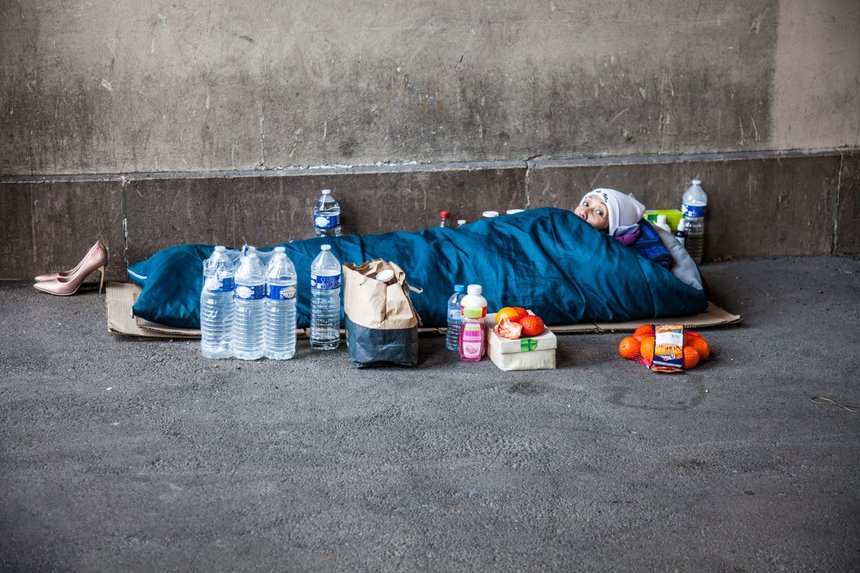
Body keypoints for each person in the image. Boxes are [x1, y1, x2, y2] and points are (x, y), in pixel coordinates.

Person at [574, 188, 702, 293]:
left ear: (612, 228)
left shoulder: (616, 252)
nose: (584, 211)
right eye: (586, 203)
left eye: (598, 212)